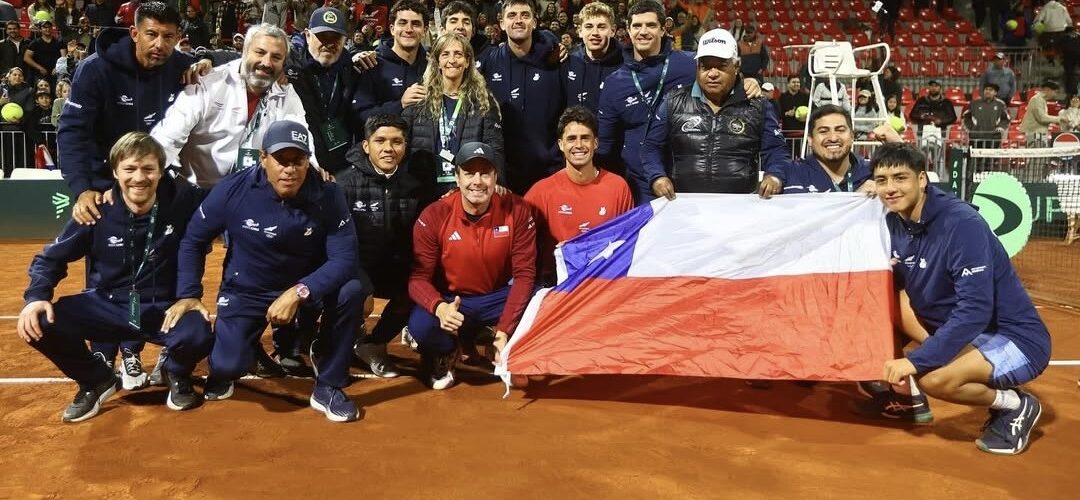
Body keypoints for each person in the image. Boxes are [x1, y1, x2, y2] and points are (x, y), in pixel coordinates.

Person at [171, 120, 366, 422]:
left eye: (298, 161)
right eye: (281, 160)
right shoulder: (232, 190)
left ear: (307, 160)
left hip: (303, 287)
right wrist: (188, 294)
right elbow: (192, 240)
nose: (289, 169)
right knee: (226, 367)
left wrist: (300, 291)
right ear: (263, 158)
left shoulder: (329, 194)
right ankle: (245, 345)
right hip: (248, 288)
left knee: (352, 290)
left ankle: (328, 383)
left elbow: (345, 259)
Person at [57, 2, 208, 388]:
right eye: (152, 34)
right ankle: (104, 353)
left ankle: (138, 347)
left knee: (157, 264)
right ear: (135, 33)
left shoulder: (180, 68)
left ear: (178, 38)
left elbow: (226, 65)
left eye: (169, 37)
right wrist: (83, 189)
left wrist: (205, 63)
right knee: (107, 268)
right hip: (106, 187)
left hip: (156, 184)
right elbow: (73, 132)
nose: (160, 44)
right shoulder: (96, 69)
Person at [16, 132, 214, 422]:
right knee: (40, 322)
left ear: (161, 171)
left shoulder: (182, 201)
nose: (139, 178)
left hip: (163, 307)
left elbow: (226, 200)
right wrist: (36, 297)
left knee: (199, 331)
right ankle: (96, 379)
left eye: (148, 169)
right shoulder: (95, 210)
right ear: (115, 172)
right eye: (130, 169)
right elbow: (50, 258)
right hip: (107, 305)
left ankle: (175, 371)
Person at [872, 141, 1050, 455]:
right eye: (883, 180)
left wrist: (916, 360)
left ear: (922, 179)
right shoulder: (893, 221)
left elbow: (975, 310)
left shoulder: (961, 224)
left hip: (1016, 339)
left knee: (934, 380)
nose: (890, 188)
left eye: (900, 178)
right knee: (888, 294)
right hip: (970, 334)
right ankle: (904, 395)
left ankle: (1015, 404)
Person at [407, 141, 536, 390]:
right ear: (456, 178)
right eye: (469, 173)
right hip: (452, 299)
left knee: (540, 305)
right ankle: (447, 350)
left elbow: (524, 275)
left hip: (495, 297)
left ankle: (504, 348)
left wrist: (504, 331)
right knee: (421, 326)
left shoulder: (517, 209)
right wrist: (440, 307)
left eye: (485, 173)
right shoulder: (434, 214)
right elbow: (418, 279)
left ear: (495, 176)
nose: (477, 181)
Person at [151, 23, 311, 188]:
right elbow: (169, 137)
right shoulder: (208, 84)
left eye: (276, 57)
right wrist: (146, 170)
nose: (267, 62)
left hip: (251, 194)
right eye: (260, 52)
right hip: (199, 192)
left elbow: (300, 133)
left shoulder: (286, 93)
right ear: (244, 51)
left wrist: (312, 166)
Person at [640, 28, 788, 200]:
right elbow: (651, 147)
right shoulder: (673, 100)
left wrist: (775, 175)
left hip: (740, 208)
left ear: (736, 66)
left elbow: (776, 150)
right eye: (705, 66)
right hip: (683, 207)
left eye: (721, 66)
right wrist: (657, 177)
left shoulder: (758, 105)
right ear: (697, 67)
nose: (712, 73)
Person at [338, 114, 422, 378]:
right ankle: (335, 343)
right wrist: (363, 285)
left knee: (416, 290)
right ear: (366, 146)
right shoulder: (344, 184)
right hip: (352, 267)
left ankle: (373, 345)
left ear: (405, 146)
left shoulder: (413, 186)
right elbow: (337, 244)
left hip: (390, 265)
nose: (389, 148)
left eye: (397, 142)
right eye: (380, 141)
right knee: (353, 296)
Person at [596, 0, 696, 201]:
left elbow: (723, 75)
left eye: (650, 25)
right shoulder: (615, 83)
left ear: (663, 29)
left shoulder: (690, 64)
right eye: (637, 26)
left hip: (689, 181)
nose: (643, 31)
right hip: (639, 186)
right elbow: (605, 144)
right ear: (628, 31)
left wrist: (748, 83)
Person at [524, 106, 633, 285]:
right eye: (571, 139)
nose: (579, 145)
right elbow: (519, 237)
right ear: (560, 144)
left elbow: (628, 242)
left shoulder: (618, 187)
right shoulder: (542, 192)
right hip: (558, 286)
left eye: (585, 138)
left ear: (595, 143)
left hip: (604, 284)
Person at [477, 0, 564, 195]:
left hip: (550, 169)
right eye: (512, 15)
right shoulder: (488, 61)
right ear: (501, 23)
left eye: (525, 15)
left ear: (534, 23)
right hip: (504, 173)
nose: (518, 20)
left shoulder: (556, 59)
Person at [403, 32, 503, 201]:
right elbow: (403, 142)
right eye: (445, 54)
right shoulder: (419, 97)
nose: (452, 60)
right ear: (437, 62)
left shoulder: (482, 100)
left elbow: (494, 147)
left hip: (467, 190)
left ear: (467, 61)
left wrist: (498, 181)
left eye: (458, 54)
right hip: (422, 189)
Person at [285, 6, 361, 174]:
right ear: (307, 35)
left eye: (335, 38)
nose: (328, 43)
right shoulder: (289, 64)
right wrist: (211, 58)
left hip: (340, 160)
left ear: (344, 40)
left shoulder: (351, 67)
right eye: (322, 37)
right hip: (300, 160)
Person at [352, 0, 430, 125]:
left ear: (425, 30)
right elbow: (361, 115)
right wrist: (400, 104)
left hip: (423, 143)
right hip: (385, 143)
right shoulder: (371, 64)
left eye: (415, 24)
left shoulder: (431, 67)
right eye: (402, 23)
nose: (408, 29)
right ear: (392, 29)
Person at [561, 1, 621, 111]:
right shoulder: (567, 63)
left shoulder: (626, 65)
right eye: (589, 27)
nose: (595, 33)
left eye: (601, 27)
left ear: (612, 30)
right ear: (579, 31)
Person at [963, 83, 1011, 149]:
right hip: (976, 137)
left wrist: (1001, 127)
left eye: (990, 90)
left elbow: (1005, 119)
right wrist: (971, 128)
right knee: (974, 158)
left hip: (994, 138)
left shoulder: (1001, 104)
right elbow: (966, 117)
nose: (987, 91)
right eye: (986, 89)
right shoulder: (974, 103)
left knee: (991, 158)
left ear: (995, 93)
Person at [1018, 79, 1061, 146]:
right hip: (1035, 133)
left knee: (1040, 155)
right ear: (1048, 90)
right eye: (1055, 92)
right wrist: (1059, 119)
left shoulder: (1042, 100)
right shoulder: (1037, 99)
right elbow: (1042, 118)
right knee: (1035, 155)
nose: (1055, 95)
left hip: (1039, 132)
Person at [24, 20, 62, 86]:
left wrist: (57, 68)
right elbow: (26, 58)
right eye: (45, 27)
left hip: (55, 74)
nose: (47, 29)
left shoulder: (59, 42)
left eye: (49, 27)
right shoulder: (35, 43)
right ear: (40, 29)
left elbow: (63, 57)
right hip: (39, 75)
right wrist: (40, 68)